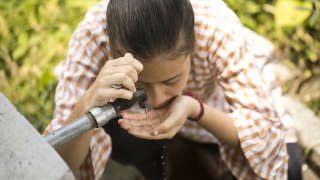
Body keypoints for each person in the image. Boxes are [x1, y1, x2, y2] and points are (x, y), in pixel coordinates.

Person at [44, 0, 303, 179]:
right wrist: (87, 101)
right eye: (141, 85)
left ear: (194, 45)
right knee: (101, 120)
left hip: (214, 110)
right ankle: (163, 165)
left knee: (289, 167)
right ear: (112, 50)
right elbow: (56, 164)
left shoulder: (215, 28)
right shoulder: (92, 36)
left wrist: (196, 109)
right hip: (136, 124)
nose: (156, 100)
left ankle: (199, 154)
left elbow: (264, 134)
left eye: (171, 80)